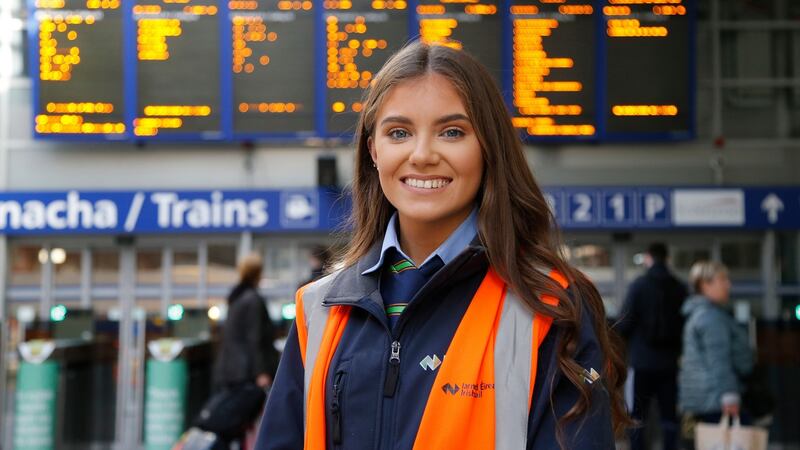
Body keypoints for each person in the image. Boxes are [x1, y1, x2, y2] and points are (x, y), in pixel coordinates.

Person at [255, 41, 630, 450]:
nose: (422, 155)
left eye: (452, 132)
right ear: (373, 150)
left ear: (489, 147)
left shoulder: (548, 306)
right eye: (399, 132)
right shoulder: (319, 309)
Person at [616, 243, 688, 450]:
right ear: (667, 259)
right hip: (670, 364)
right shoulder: (679, 287)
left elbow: (624, 323)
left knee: (637, 415)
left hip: (641, 363)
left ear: (648, 259)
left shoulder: (639, 285)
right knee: (669, 417)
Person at [212, 252, 280, 445]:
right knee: (247, 426)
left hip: (231, 372)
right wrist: (262, 372)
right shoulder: (252, 300)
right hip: (247, 374)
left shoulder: (236, 297)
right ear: (258, 272)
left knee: (234, 425)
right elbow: (255, 339)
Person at [679, 261, 753, 427]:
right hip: (717, 400)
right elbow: (719, 360)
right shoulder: (710, 318)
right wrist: (730, 394)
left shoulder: (698, 314)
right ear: (705, 285)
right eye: (722, 279)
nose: (728, 284)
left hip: (705, 399)